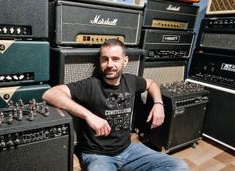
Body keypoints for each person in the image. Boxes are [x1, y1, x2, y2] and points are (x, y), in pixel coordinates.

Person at [42, 39, 189, 171]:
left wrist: (158, 104)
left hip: (129, 149)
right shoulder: (91, 84)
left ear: (125, 61)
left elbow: (151, 84)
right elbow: (50, 94)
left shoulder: (131, 81)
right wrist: (88, 115)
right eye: (105, 59)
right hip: (98, 155)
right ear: (100, 61)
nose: (110, 64)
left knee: (179, 166)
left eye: (115, 59)